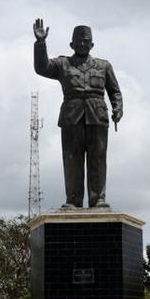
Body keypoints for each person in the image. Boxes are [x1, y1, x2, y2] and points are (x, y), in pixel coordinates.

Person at [33, 18, 123, 209]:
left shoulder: (104, 66)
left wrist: (118, 107)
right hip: (71, 116)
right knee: (71, 159)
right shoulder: (63, 64)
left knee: (98, 158)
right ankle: (73, 200)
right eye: (79, 41)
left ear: (92, 44)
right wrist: (41, 43)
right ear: (72, 44)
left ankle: (98, 198)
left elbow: (114, 91)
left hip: (97, 115)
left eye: (86, 41)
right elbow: (42, 68)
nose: (82, 44)